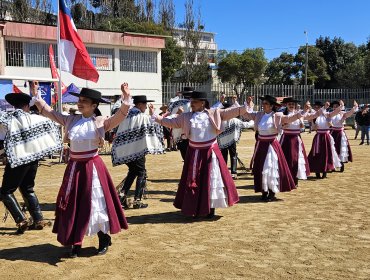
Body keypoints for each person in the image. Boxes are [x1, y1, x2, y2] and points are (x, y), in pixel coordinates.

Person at [32, 82, 131, 258]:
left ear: (94, 105)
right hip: (74, 168)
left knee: (95, 204)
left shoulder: (101, 122)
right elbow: (50, 113)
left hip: (92, 167)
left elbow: (120, 116)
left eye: (84, 101)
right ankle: (76, 241)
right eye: (80, 100)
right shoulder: (71, 119)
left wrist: (125, 97)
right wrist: (37, 96)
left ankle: (103, 237)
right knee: (73, 204)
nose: (80, 103)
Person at [149, 91, 246, 218]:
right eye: (191, 102)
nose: (192, 104)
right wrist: (156, 117)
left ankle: (210, 209)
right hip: (194, 152)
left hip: (210, 152)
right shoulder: (186, 116)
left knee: (212, 180)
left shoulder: (214, 112)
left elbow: (230, 112)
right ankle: (194, 207)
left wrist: (245, 107)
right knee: (193, 181)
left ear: (202, 103)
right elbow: (171, 122)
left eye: (194, 102)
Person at [0, 91, 62, 233]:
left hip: (17, 159)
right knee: (27, 188)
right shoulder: (36, 119)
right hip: (33, 159)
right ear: (27, 106)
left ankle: (21, 220)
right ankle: (38, 218)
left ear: (14, 106)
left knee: (6, 191)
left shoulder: (8, 119)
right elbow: (51, 126)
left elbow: (1, 139)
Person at [242, 95, 304, 201]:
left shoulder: (277, 115)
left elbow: (289, 118)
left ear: (271, 106)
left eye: (266, 103)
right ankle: (264, 191)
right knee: (261, 168)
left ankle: (271, 192)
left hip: (271, 144)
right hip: (261, 144)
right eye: (263, 103)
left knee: (271, 167)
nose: (263, 105)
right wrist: (247, 104)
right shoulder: (259, 114)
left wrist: (300, 114)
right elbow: (246, 114)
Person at [112, 95, 164, 210]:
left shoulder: (125, 115)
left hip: (123, 150)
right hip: (137, 149)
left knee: (133, 171)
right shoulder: (141, 116)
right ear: (140, 104)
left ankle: (122, 196)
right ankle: (137, 200)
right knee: (141, 172)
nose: (145, 107)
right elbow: (155, 127)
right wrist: (152, 114)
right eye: (145, 104)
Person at [305, 100, 344, 179]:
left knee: (326, 153)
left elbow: (334, 115)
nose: (317, 108)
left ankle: (325, 171)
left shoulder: (327, 114)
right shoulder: (314, 116)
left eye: (318, 107)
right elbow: (313, 128)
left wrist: (340, 107)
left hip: (326, 136)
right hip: (318, 136)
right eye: (315, 107)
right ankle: (317, 171)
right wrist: (314, 125)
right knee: (316, 153)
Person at [217, 102, 254, 179]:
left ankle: (223, 172)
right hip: (232, 141)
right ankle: (233, 172)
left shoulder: (220, 121)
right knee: (233, 155)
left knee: (224, 156)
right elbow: (246, 125)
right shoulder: (235, 120)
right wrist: (253, 121)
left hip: (222, 142)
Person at [279, 97, 310, 186]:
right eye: (289, 104)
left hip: (296, 139)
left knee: (296, 159)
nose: (291, 105)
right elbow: (287, 121)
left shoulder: (298, 114)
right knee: (287, 159)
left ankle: (295, 179)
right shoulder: (283, 115)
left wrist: (308, 111)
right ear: (286, 105)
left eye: (293, 104)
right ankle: (286, 178)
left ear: (295, 105)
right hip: (286, 139)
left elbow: (309, 118)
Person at [330, 100, 358, 172]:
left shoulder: (342, 113)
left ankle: (341, 163)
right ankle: (333, 164)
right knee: (333, 148)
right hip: (332, 132)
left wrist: (354, 107)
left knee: (341, 148)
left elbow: (349, 113)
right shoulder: (331, 114)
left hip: (340, 133)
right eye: (334, 106)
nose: (335, 107)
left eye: (337, 106)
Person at [168, 87, 193, 160]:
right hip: (190, 135)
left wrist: (177, 96)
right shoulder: (192, 104)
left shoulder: (175, 103)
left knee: (185, 157)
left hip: (178, 135)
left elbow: (169, 106)